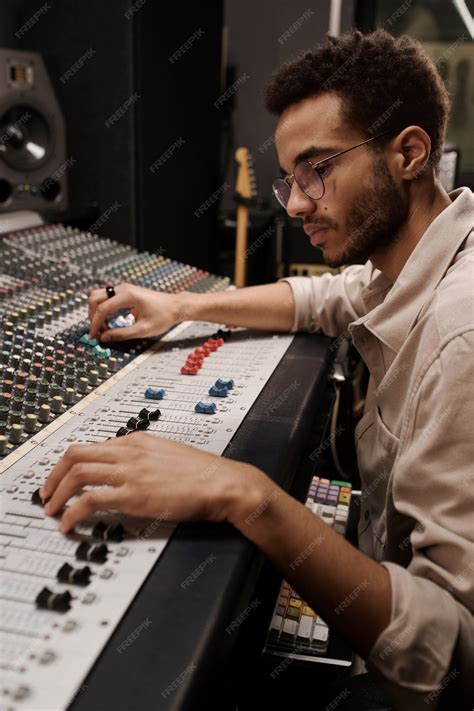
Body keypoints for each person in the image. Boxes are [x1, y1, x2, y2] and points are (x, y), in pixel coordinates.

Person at [40, 29, 473, 708]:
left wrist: (250, 494)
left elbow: (454, 655)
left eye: (316, 170)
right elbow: (325, 296)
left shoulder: (461, 335)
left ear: (410, 153)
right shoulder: (412, 260)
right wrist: (182, 305)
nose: (296, 203)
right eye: (289, 178)